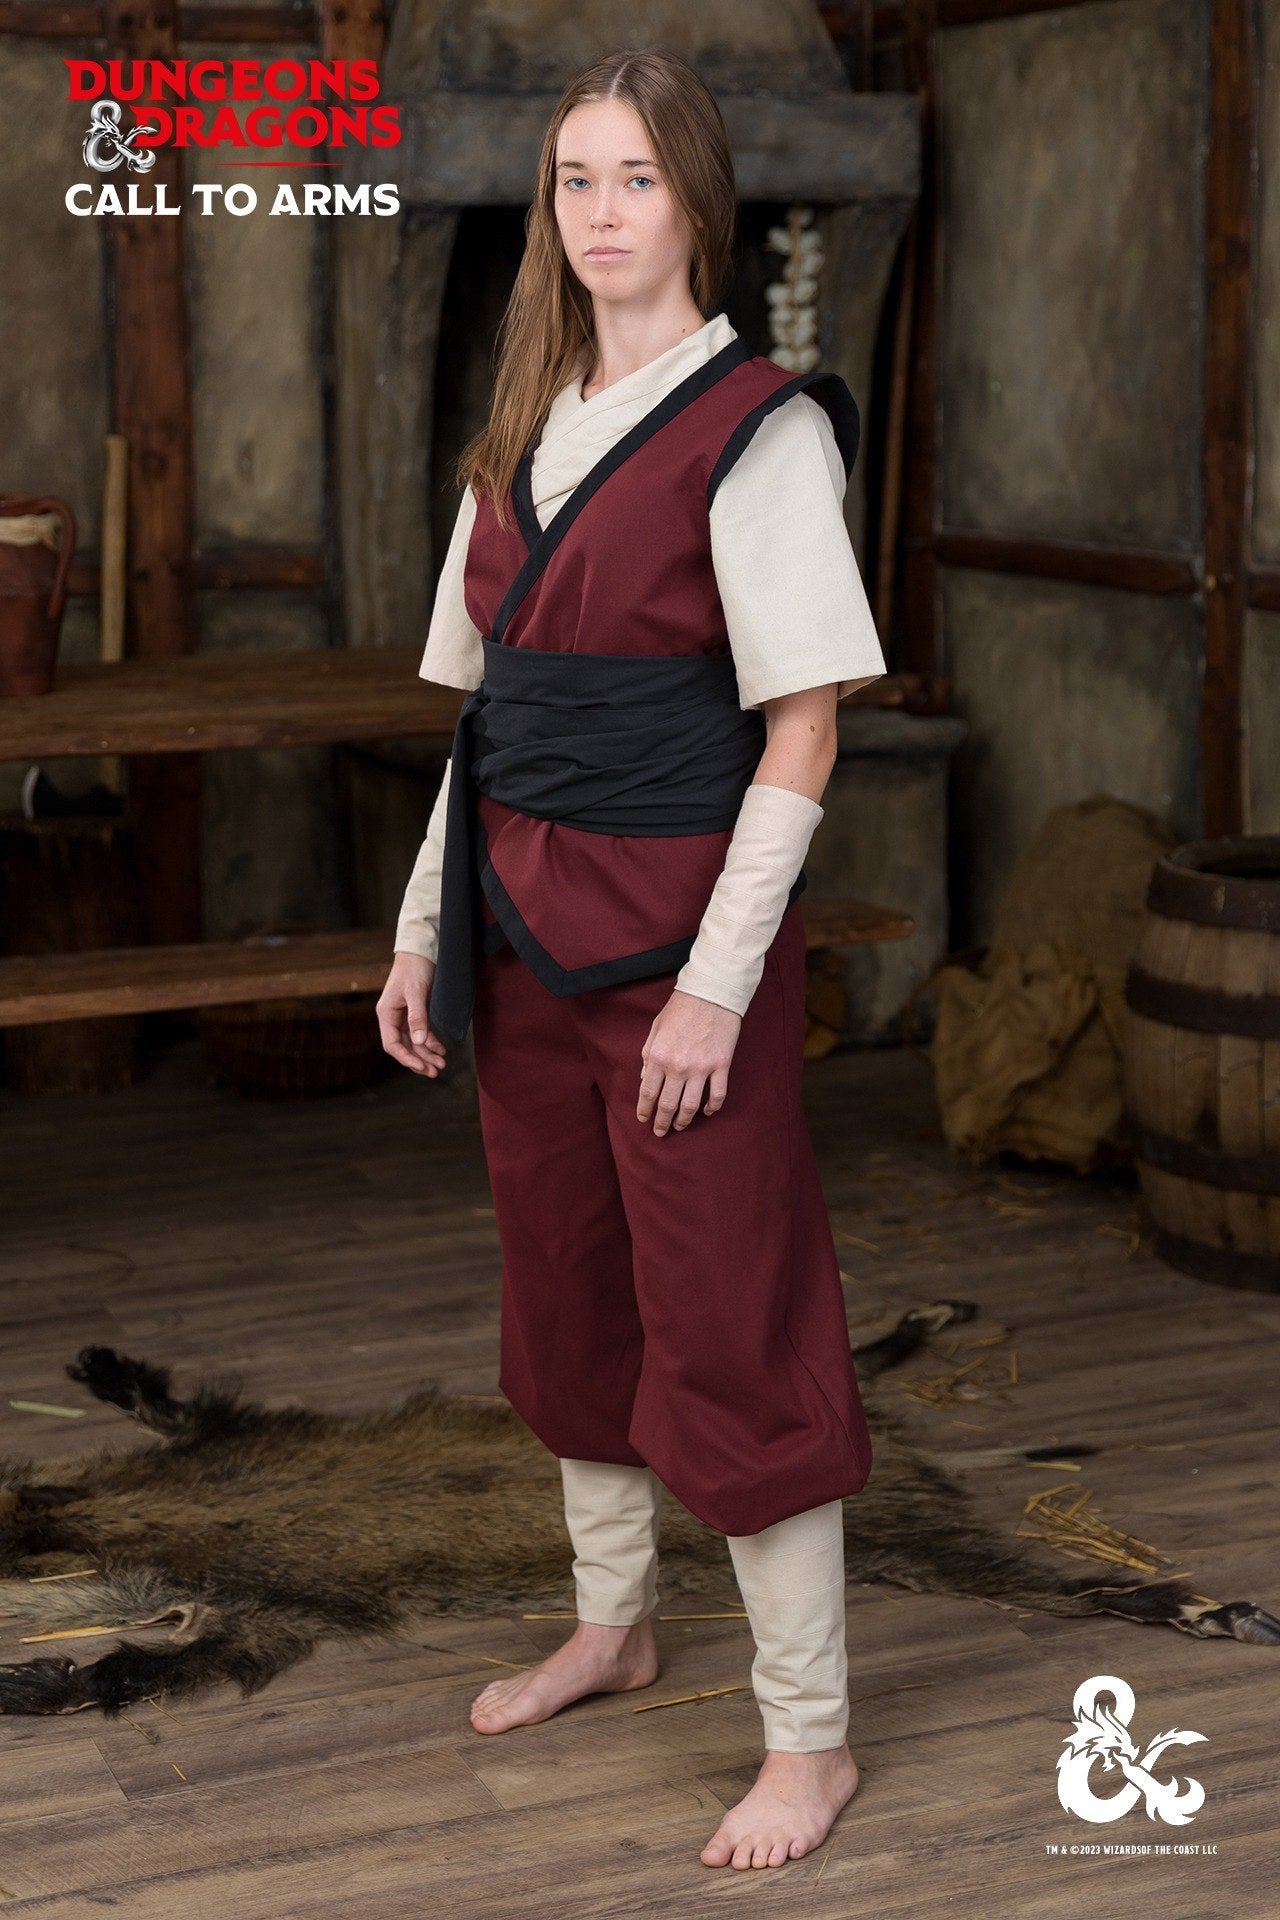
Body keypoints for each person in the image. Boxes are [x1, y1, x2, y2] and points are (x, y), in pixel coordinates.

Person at [377, 46, 887, 1873]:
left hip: (682, 956)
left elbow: (804, 731)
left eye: (636, 178)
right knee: (570, 1295)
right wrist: (424, 929)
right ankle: (615, 1625)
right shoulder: (520, 431)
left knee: (733, 1318)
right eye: (574, 179)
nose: (602, 213)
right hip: (519, 940)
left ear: (696, 201)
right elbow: (486, 721)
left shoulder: (763, 429)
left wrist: (716, 991)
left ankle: (810, 1741)